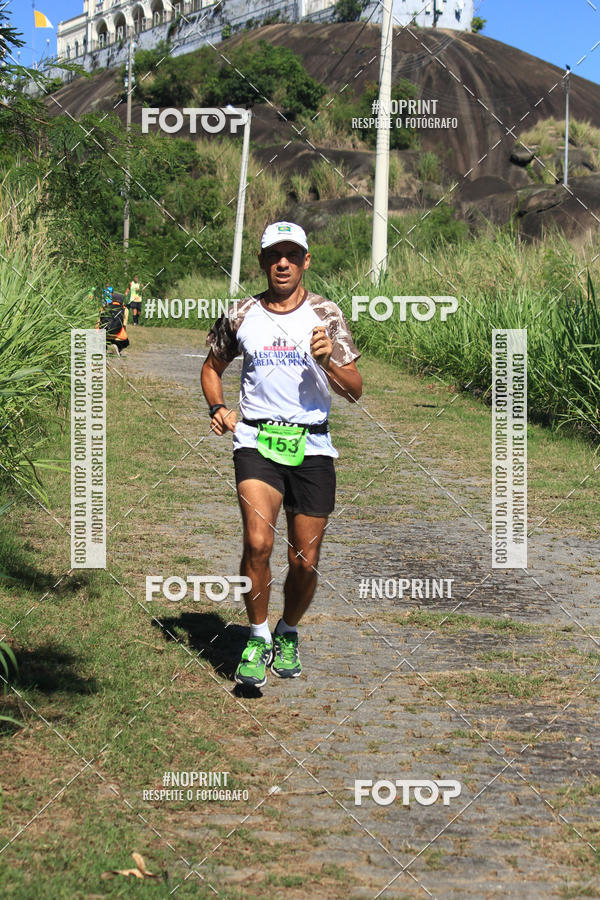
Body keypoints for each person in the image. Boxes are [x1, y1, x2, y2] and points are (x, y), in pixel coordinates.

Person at [201, 221, 362, 688]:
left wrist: (328, 360)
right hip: (256, 441)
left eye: (292, 255)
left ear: (306, 261)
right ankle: (256, 638)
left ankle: (287, 630)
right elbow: (212, 368)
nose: (283, 263)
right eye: (275, 255)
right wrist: (218, 408)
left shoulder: (326, 315)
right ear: (263, 262)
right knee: (257, 543)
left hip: (312, 445)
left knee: (303, 561)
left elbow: (354, 390)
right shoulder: (241, 314)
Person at [96, 290, 130, 356]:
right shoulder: (125, 309)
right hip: (117, 335)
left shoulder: (104, 307)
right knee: (126, 342)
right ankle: (117, 347)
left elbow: (98, 322)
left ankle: (104, 347)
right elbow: (124, 325)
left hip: (103, 334)